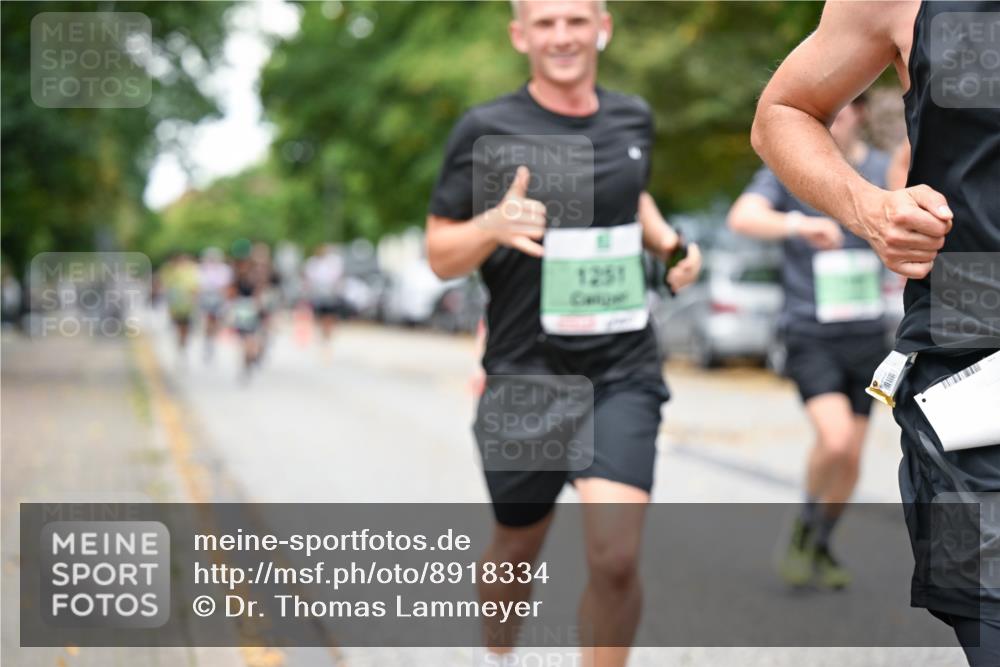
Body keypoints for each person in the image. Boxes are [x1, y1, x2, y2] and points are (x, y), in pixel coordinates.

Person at [425, 2, 701, 665]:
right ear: (520, 35)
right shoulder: (485, 128)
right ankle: (497, 650)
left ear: (602, 26)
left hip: (620, 368)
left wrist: (669, 243)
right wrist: (489, 226)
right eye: (545, 23)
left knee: (615, 556)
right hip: (525, 372)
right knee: (517, 545)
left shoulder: (632, 116)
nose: (562, 36)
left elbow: (631, 192)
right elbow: (439, 253)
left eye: (575, 20)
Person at [751, 1, 998, 664]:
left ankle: (816, 530)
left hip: (865, 330)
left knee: (847, 443)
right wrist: (868, 209)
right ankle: (813, 529)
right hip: (974, 373)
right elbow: (783, 113)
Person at [728, 97, 891, 589]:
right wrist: (798, 224)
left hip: (867, 335)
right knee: (836, 439)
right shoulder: (794, 169)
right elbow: (743, 216)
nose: (828, 124)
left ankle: (818, 542)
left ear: (860, 112)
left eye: (838, 113)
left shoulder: (884, 169)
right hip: (809, 332)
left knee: (853, 459)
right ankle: (804, 525)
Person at [303, 244, 345, 351]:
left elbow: (338, 277)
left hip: (330, 294)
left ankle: (327, 334)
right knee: (321, 316)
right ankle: (324, 334)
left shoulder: (332, 262)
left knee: (329, 316)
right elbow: (308, 279)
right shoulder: (313, 263)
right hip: (318, 294)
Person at [160, 253, 200, 357]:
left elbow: (195, 288)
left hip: (187, 305)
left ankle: (182, 346)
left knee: (185, 328)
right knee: (178, 327)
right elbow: (167, 288)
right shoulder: (171, 271)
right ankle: (180, 347)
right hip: (176, 304)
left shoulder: (191, 270)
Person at [198, 247, 232, 363]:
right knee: (208, 321)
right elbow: (200, 285)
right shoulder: (203, 269)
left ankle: (211, 341)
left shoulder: (224, 270)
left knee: (217, 322)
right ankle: (208, 342)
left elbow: (227, 286)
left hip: (219, 299)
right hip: (206, 298)